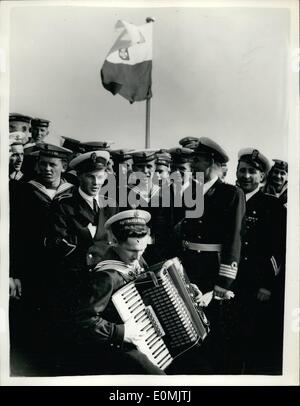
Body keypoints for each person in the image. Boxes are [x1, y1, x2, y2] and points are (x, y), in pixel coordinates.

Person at [49, 209, 165, 375]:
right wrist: (121, 332)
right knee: (157, 376)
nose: (137, 257)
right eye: (131, 251)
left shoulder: (135, 257)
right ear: (115, 241)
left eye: (142, 249)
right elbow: (84, 320)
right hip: (113, 343)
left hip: (138, 329)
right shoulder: (106, 276)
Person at [175, 137, 246, 373]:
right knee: (187, 323)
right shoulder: (189, 192)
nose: (193, 164)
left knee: (213, 328)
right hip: (187, 266)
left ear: (213, 161)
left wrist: (224, 282)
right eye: (192, 159)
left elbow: (233, 239)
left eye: (198, 159)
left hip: (211, 268)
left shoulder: (231, 194)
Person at [9, 143, 74, 376]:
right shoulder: (21, 192)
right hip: (33, 268)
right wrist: (13, 273)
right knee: (35, 319)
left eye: (53, 165)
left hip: (66, 270)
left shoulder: (72, 192)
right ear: (36, 165)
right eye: (43, 164)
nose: (47, 169)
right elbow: (13, 236)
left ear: (64, 166)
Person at [232, 148, 287, 374]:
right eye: (242, 170)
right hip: (229, 280)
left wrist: (268, 285)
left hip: (256, 285)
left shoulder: (272, 206)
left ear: (262, 177)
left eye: (252, 172)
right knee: (230, 339)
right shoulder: (229, 200)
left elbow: (279, 250)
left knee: (252, 341)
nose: (246, 176)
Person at [46, 150, 117, 272]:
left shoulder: (111, 204)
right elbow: (55, 245)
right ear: (79, 176)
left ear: (105, 176)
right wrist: (85, 235)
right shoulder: (63, 204)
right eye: (90, 176)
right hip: (77, 273)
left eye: (100, 177)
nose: (96, 183)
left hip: (107, 270)